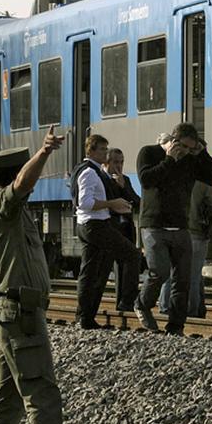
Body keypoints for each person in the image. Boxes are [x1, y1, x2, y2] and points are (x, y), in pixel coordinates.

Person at [0, 127, 98, 424]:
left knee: (10, 392)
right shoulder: (4, 205)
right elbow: (20, 183)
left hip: (14, 311)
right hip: (20, 313)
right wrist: (45, 152)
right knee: (41, 388)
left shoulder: (14, 215)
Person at [134, 123, 212, 334]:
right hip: (154, 225)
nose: (187, 152)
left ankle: (176, 326)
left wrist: (203, 154)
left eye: (192, 148)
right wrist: (169, 159)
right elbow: (146, 180)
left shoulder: (191, 161)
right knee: (160, 272)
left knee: (182, 278)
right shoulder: (149, 153)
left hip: (182, 226)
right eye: (184, 147)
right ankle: (142, 304)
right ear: (174, 140)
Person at [72, 134, 137, 330]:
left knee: (92, 271)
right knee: (132, 255)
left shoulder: (86, 170)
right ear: (90, 150)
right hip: (95, 225)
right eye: (101, 149)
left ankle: (85, 317)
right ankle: (128, 302)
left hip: (90, 225)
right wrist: (112, 204)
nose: (104, 153)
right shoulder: (89, 172)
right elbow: (85, 203)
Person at [160, 179, 212, 319]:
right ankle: (192, 312)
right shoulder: (203, 181)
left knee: (171, 273)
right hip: (197, 234)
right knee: (193, 276)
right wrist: (209, 230)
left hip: (173, 231)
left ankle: (165, 308)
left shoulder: (172, 175)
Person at [102, 148, 141, 311]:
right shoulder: (102, 180)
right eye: (115, 162)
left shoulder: (125, 180)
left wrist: (123, 187)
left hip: (126, 227)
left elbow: (136, 202)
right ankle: (122, 301)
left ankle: (125, 302)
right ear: (107, 162)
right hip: (110, 227)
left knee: (126, 265)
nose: (119, 166)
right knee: (111, 265)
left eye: (122, 162)